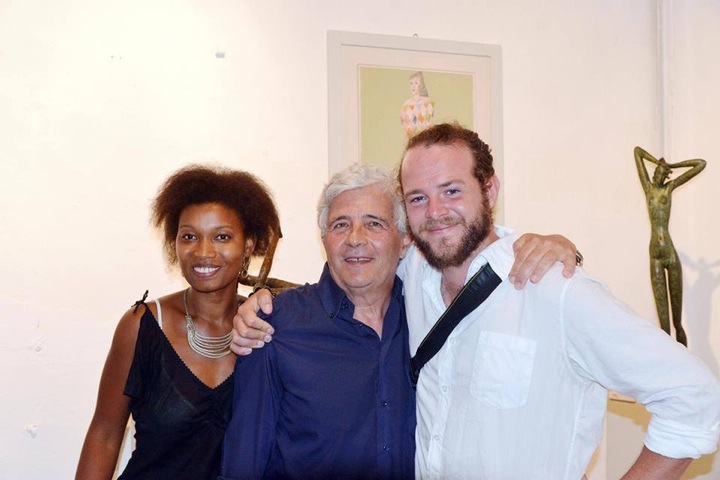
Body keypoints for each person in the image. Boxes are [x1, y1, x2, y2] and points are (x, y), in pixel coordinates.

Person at [235, 124, 720, 479]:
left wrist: (561, 246)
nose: (436, 212)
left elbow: (696, 398)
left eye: (451, 191)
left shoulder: (554, 289)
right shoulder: (415, 278)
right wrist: (258, 304)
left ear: (490, 190)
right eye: (418, 198)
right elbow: (358, 263)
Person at [221, 164, 577, 480]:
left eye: (373, 224)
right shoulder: (274, 326)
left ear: (405, 240)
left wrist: (557, 246)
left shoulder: (432, 314)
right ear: (325, 239)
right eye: (340, 225)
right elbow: (243, 461)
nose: (355, 239)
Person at [75, 165, 280, 480]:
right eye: (189, 237)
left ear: (248, 245)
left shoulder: (265, 328)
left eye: (222, 237)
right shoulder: (142, 326)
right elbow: (104, 434)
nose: (203, 252)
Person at [634, 146, 706, 346]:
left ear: (666, 176)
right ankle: (668, 361)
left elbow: (700, 164)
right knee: (663, 327)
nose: (656, 175)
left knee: (677, 323)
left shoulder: (669, 188)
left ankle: (685, 360)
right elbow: (637, 152)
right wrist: (656, 162)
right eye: (655, 172)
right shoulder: (648, 188)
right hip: (655, 255)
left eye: (660, 173)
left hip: (669, 253)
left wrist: (673, 165)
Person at [400, 71, 435, 138]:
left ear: (421, 85)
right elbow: (405, 124)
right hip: (413, 139)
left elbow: (429, 123)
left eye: (416, 83)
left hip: (424, 138)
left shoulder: (427, 102)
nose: (413, 86)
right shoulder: (406, 104)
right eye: (411, 83)